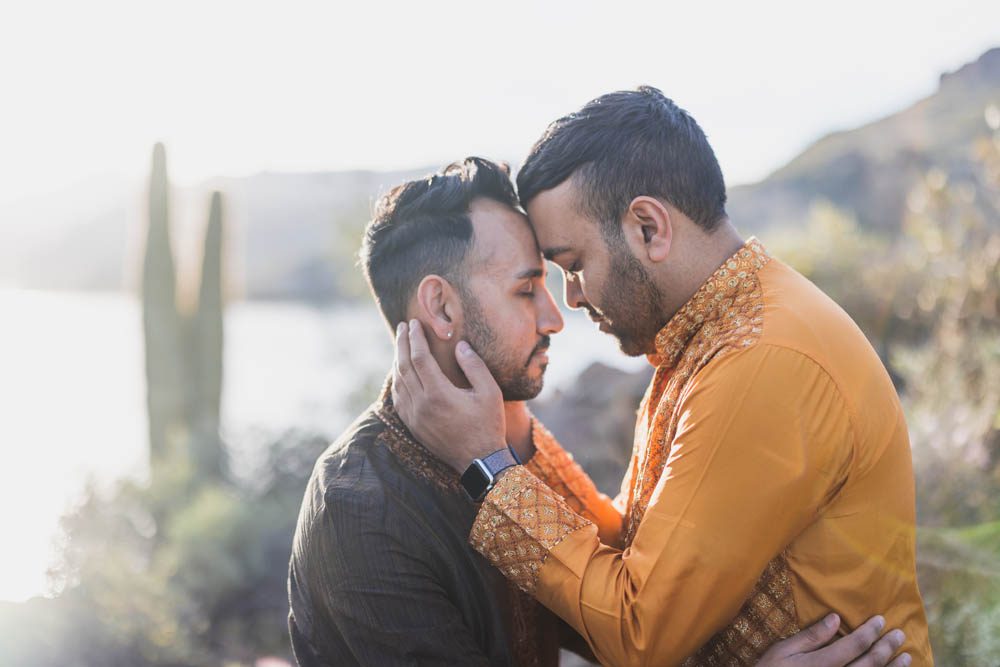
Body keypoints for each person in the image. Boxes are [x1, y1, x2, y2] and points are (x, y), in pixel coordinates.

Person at [391, 88, 932, 666]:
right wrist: (505, 426)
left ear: (648, 227)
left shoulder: (762, 359)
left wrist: (487, 469)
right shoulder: (708, 335)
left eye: (573, 266)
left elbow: (638, 633)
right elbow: (630, 547)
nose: (569, 299)